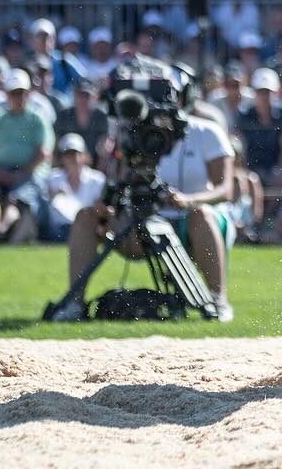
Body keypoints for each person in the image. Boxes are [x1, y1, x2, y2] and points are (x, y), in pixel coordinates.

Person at [59, 89, 238, 321]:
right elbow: (122, 180)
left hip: (191, 223)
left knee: (201, 214)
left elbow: (226, 190)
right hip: (142, 222)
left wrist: (189, 200)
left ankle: (218, 300)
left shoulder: (208, 131)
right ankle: (74, 305)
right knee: (86, 216)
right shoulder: (133, 132)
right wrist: (109, 204)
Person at [0, 69, 52, 241]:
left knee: (16, 198)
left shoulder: (37, 120)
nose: (18, 97)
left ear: (27, 94)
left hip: (28, 173)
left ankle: (2, 230)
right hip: (0, 171)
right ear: (7, 95)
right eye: (14, 93)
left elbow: (42, 154)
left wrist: (21, 173)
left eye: (21, 93)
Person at [42, 134, 106, 243]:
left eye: (76, 153)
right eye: (68, 154)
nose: (73, 158)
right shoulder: (52, 178)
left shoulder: (98, 179)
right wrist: (55, 195)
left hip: (88, 229)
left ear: (84, 156)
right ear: (62, 158)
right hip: (60, 231)